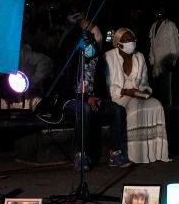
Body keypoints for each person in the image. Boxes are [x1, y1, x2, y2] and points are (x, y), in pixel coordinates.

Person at [52, 10, 132, 170]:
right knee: (85, 108)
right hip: (70, 99)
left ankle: (115, 153)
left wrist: (96, 98)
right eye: (86, 40)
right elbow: (63, 86)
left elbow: (100, 86)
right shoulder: (69, 57)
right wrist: (86, 98)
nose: (89, 44)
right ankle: (80, 156)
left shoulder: (96, 57)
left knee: (117, 110)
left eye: (91, 41)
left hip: (91, 99)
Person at [103, 28, 170, 164]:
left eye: (131, 39)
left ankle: (152, 152)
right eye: (126, 40)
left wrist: (144, 91)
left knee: (155, 105)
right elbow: (107, 85)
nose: (130, 42)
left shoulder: (139, 56)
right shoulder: (108, 57)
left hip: (135, 94)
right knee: (135, 108)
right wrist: (127, 92)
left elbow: (144, 81)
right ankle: (133, 154)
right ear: (118, 43)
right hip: (119, 95)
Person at [148, 6, 179, 108]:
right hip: (155, 65)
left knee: (166, 92)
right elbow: (152, 44)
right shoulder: (154, 25)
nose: (160, 12)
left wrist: (172, 61)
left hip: (166, 63)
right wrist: (151, 60)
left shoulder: (170, 25)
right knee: (156, 92)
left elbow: (174, 45)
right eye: (159, 10)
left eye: (162, 10)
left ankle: (168, 114)